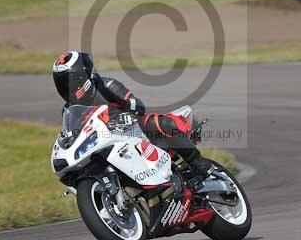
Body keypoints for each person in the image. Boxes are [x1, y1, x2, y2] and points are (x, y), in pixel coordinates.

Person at [52, 51, 213, 179]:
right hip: (105, 144)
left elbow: (138, 106)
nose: (66, 88)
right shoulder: (69, 109)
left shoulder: (108, 85)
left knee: (158, 123)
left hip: (133, 132)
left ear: (84, 77)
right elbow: (74, 133)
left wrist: (125, 112)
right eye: (62, 84)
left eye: (70, 82)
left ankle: (199, 163)